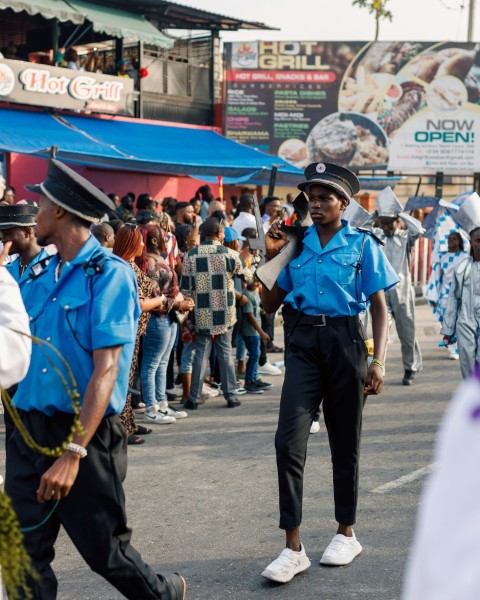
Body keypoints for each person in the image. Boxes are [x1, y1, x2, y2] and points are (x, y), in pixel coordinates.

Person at [5, 159, 186, 599]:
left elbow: (106, 369)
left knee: (106, 553)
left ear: (62, 211)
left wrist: (72, 453)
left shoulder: (109, 276)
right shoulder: (35, 275)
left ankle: (165, 594)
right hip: (27, 430)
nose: (34, 210)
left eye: (41, 203)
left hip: (82, 434)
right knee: (22, 556)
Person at [260, 162, 398, 583]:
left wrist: (378, 361)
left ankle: (346, 532)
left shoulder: (362, 245)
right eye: (311, 198)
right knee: (288, 441)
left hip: (345, 343)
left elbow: (379, 307)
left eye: (325, 198)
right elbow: (269, 305)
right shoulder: (296, 244)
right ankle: (293, 547)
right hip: (302, 344)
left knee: (344, 441)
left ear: (344, 203)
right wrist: (270, 256)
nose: (316, 204)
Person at [181, 218, 251, 409]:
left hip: (201, 313)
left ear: (203, 234)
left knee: (201, 355)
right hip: (225, 313)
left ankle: (193, 398)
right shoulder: (229, 254)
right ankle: (231, 396)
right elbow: (248, 276)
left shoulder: (191, 256)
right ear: (220, 234)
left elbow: (186, 289)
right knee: (226, 354)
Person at [112, 224, 165, 445]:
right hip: (125, 331)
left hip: (134, 331)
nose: (143, 244)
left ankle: (129, 422)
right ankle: (122, 429)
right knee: (122, 381)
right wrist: (160, 301)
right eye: (139, 241)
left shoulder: (130, 265)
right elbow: (140, 304)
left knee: (129, 379)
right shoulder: (123, 267)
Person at [138, 224, 193, 424]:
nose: (167, 240)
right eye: (163, 237)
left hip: (169, 317)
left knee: (162, 363)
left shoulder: (159, 259)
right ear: (154, 240)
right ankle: (151, 407)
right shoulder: (150, 264)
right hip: (157, 319)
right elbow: (153, 298)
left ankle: (162, 404)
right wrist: (179, 303)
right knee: (152, 364)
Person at [373, 187, 424, 385]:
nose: (385, 227)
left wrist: (400, 213)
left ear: (397, 222)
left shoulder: (405, 238)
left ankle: (409, 368)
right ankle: (377, 369)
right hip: (381, 292)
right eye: (383, 223)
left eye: (389, 223)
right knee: (380, 332)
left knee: (407, 332)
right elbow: (360, 225)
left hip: (403, 291)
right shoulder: (377, 236)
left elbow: (418, 229)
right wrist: (378, 214)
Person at [441, 194, 480, 378]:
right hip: (465, 323)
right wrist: (448, 330)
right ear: (471, 242)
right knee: (468, 364)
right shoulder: (462, 268)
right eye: (478, 240)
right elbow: (453, 300)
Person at [425, 231, 466, 359]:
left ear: (459, 241)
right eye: (449, 239)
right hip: (445, 295)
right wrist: (433, 296)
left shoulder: (465, 257)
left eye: (454, 239)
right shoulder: (442, 258)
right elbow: (436, 278)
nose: (451, 241)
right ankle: (453, 349)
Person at [0, 243, 31, 390]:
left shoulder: (50, 267)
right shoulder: (8, 269)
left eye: (8, 232)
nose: (4, 239)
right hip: (13, 361)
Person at [0, 202, 53, 286]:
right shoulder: (6, 271)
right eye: (2, 235)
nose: (3, 240)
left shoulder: (52, 268)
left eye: (8, 233)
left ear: (27, 232)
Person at [240, 279, 272, 394]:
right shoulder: (246, 295)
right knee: (254, 355)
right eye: (253, 281)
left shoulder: (255, 292)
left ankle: (255, 378)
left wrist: (263, 311)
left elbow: (256, 309)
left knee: (256, 354)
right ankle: (249, 381)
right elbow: (250, 316)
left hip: (255, 330)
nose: (255, 284)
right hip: (250, 331)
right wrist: (262, 332)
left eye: (258, 282)